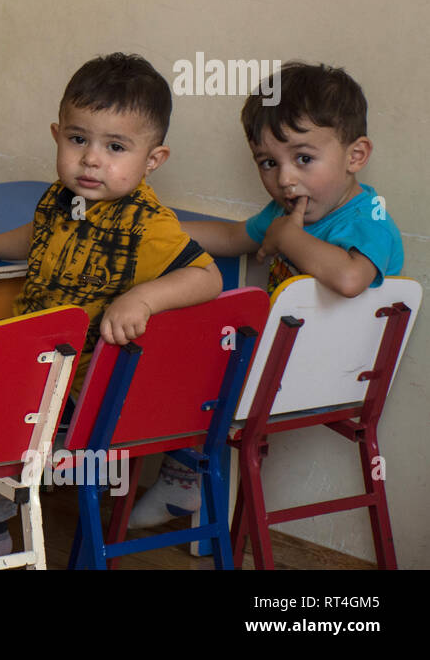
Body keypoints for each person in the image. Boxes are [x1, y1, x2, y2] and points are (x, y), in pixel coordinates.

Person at [0, 53, 223, 560]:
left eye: (115, 147)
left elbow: (207, 275)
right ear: (57, 136)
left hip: (80, 396)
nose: (92, 159)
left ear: (152, 160)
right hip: (37, 368)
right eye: (79, 140)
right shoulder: (61, 197)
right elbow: (39, 235)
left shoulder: (147, 223)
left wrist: (142, 297)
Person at [130, 61, 404, 528]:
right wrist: (152, 227)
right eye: (267, 162)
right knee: (176, 349)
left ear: (355, 155)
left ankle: (180, 480)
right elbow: (237, 237)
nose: (284, 178)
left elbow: (351, 279)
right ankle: (180, 476)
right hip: (282, 370)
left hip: (332, 375)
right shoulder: (284, 211)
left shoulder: (368, 217)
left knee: (190, 363)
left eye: (303, 158)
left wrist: (285, 237)